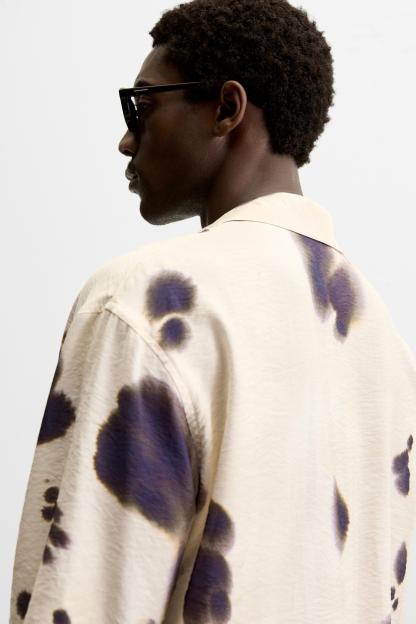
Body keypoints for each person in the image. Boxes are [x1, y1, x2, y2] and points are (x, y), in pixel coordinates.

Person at [9, 0, 416, 623]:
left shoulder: (147, 300)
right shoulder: (381, 345)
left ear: (227, 108)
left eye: (142, 105)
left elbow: (89, 599)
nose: (126, 138)